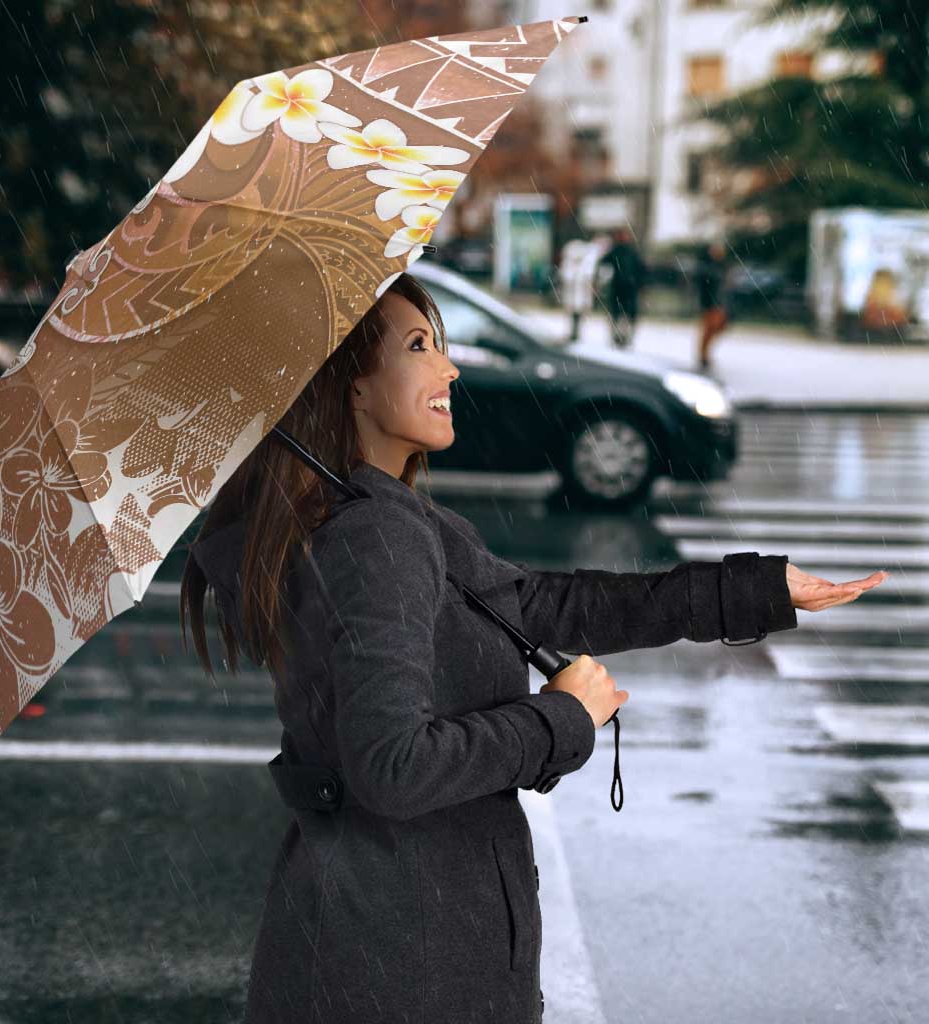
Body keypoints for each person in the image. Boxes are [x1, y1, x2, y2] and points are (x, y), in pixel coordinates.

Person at [180, 271, 884, 1024]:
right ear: (350, 385)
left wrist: (754, 591)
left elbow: (545, 605)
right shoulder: (374, 536)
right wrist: (560, 719)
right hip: (403, 962)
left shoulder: (381, 518)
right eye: (419, 346)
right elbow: (392, 767)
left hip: (384, 942)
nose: (449, 368)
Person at [597, 226, 647, 349]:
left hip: (628, 288)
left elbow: (641, 270)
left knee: (625, 315)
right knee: (618, 314)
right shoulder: (617, 251)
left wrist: (640, 284)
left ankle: (624, 337)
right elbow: (603, 264)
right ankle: (618, 337)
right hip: (620, 288)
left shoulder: (630, 252)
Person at [695, 239, 731, 371]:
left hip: (719, 303)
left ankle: (705, 354)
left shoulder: (722, 266)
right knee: (709, 329)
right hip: (710, 303)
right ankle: (703, 355)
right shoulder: (707, 267)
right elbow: (704, 286)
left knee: (717, 328)